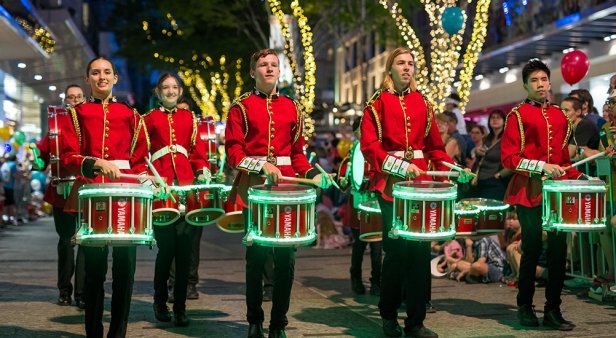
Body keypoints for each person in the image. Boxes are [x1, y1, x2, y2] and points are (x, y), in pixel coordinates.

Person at [360, 46, 471, 338]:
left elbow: (434, 147)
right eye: (401, 63)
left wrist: (454, 168)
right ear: (390, 68)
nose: (407, 67)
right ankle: (388, 316)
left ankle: (416, 322)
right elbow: (370, 147)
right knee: (396, 252)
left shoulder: (423, 102)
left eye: (411, 63)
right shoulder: (376, 103)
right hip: (391, 187)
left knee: (421, 252)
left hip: (421, 186)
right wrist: (398, 166)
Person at [225, 48, 332, 338]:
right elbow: (234, 153)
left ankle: (278, 324)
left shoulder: (292, 107)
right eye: (263, 64)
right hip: (255, 190)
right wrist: (261, 165)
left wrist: (313, 174)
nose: (269, 68)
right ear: (253, 72)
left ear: (279, 71)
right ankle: (254, 322)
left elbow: (297, 155)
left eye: (273, 64)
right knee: (256, 259)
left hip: (287, 191)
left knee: (287, 260)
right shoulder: (241, 107)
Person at [61, 56, 151, 338]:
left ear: (115, 78)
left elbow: (140, 160)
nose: (102, 77)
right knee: (94, 272)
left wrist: (146, 180)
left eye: (107, 72)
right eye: (96, 73)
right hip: (93, 197)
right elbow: (66, 157)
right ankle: (93, 333)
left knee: (126, 271)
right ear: (87, 79)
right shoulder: (75, 114)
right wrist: (93, 163)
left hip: (126, 196)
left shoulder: (132, 115)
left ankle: (118, 333)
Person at [501, 58, 586, 331]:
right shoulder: (517, 115)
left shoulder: (561, 116)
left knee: (559, 250)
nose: (540, 84)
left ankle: (553, 309)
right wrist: (539, 167)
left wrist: (581, 177)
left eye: (544, 79)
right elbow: (509, 158)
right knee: (533, 247)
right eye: (534, 80)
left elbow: (563, 161)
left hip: (556, 192)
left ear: (550, 83)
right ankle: (525, 306)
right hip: (529, 190)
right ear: (526, 85)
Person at [143, 73, 209, 327]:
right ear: (158, 92)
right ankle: (160, 302)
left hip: (187, 190)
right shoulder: (148, 119)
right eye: (165, 88)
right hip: (161, 192)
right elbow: (140, 155)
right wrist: (151, 183)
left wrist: (202, 170)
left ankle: (180, 307)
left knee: (185, 252)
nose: (170, 91)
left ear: (180, 91)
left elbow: (197, 153)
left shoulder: (190, 118)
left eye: (174, 87)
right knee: (166, 250)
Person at [36, 84, 86, 308]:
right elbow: (44, 153)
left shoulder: (91, 122)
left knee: (86, 241)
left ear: (84, 99)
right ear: (65, 100)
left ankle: (83, 293)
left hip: (86, 190)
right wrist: (37, 157)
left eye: (78, 97)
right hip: (62, 191)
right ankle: (64, 290)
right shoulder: (57, 124)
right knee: (66, 242)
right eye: (70, 97)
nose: (74, 100)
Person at [339, 118, 382, 296]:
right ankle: (355, 277)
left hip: (376, 203)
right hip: (358, 204)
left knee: (377, 245)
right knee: (360, 244)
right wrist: (343, 180)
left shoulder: (377, 150)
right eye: (361, 129)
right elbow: (343, 179)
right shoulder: (353, 152)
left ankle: (377, 281)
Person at [167, 96, 203, 302]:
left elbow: (203, 158)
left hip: (191, 190)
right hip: (171, 189)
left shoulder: (195, 130)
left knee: (192, 241)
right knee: (172, 241)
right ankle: (174, 284)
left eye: (184, 111)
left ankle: (190, 282)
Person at [470, 109, 511, 200]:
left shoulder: (507, 139)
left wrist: (500, 175)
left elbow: (511, 160)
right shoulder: (488, 138)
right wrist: (477, 152)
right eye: (492, 118)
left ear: (504, 121)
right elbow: (481, 158)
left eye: (498, 118)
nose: (495, 120)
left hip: (495, 182)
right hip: (480, 180)